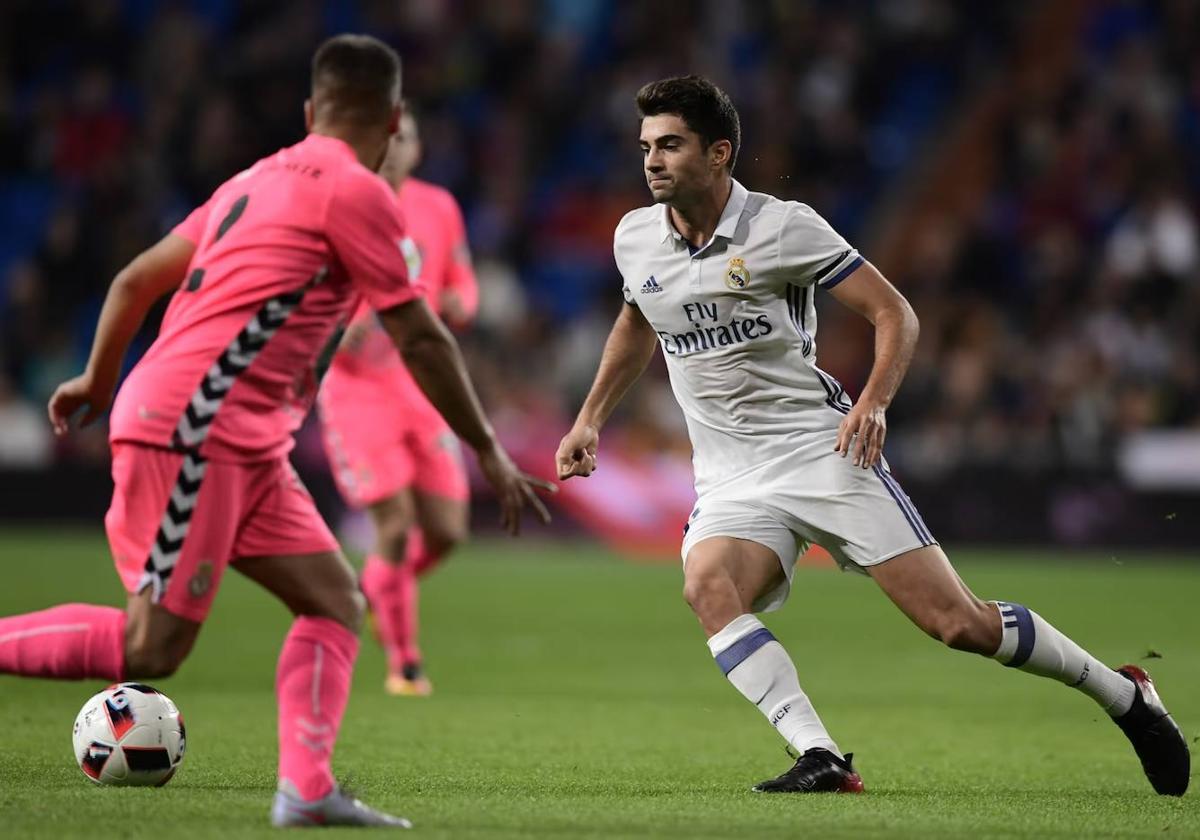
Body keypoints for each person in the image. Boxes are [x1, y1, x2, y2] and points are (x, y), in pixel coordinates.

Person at [554, 75, 1188, 796]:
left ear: (719, 152)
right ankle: (820, 754)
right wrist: (590, 417)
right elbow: (639, 322)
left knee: (958, 624)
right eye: (645, 146)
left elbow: (895, 313)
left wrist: (876, 401)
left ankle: (1125, 694)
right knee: (708, 586)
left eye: (670, 144)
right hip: (730, 475)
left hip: (823, 453)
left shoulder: (782, 228)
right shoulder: (635, 238)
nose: (652, 160)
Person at [0, 34, 550, 828]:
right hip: (197, 425)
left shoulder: (250, 181)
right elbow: (422, 335)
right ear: (393, 118)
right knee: (152, 649)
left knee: (333, 600)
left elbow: (134, 279)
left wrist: (96, 376)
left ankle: (307, 792)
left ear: (309, 111)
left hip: (244, 437)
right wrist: (489, 449)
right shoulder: (359, 194)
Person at [318, 105, 477, 697]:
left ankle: (378, 592)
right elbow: (311, 290)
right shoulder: (341, 204)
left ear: (416, 146)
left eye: (404, 136)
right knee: (395, 523)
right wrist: (344, 324)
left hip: (421, 385)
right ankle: (405, 664)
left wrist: (464, 301)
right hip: (357, 392)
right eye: (385, 135)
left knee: (448, 531)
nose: (394, 145)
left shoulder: (438, 206)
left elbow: (461, 275)